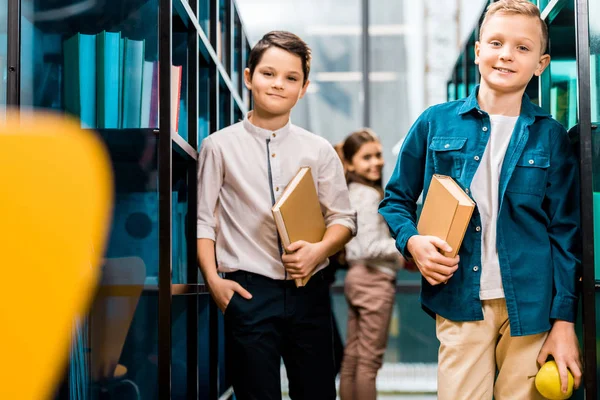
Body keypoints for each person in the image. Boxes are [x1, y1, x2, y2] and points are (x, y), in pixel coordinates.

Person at [378, 1, 582, 399]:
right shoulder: (435, 122)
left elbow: (565, 233)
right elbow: (395, 199)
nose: (506, 54)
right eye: (496, 42)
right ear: (477, 51)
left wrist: (564, 321)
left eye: (522, 48)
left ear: (540, 64)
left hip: (533, 304)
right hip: (459, 301)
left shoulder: (550, 136)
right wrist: (413, 241)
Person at [196, 30, 357, 400]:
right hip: (249, 292)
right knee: (256, 394)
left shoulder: (318, 150)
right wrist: (213, 280)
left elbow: (345, 220)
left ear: (303, 88)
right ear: (249, 76)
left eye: (291, 78)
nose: (279, 84)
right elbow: (206, 220)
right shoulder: (217, 147)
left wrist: (319, 252)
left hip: (309, 291)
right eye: (268, 74)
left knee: (316, 392)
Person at [336, 129, 413, 400]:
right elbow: (370, 247)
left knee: (352, 360)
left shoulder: (352, 191)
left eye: (378, 155)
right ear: (350, 164)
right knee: (368, 363)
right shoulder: (367, 195)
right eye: (366, 157)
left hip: (357, 279)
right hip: (373, 280)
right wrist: (409, 245)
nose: (376, 162)